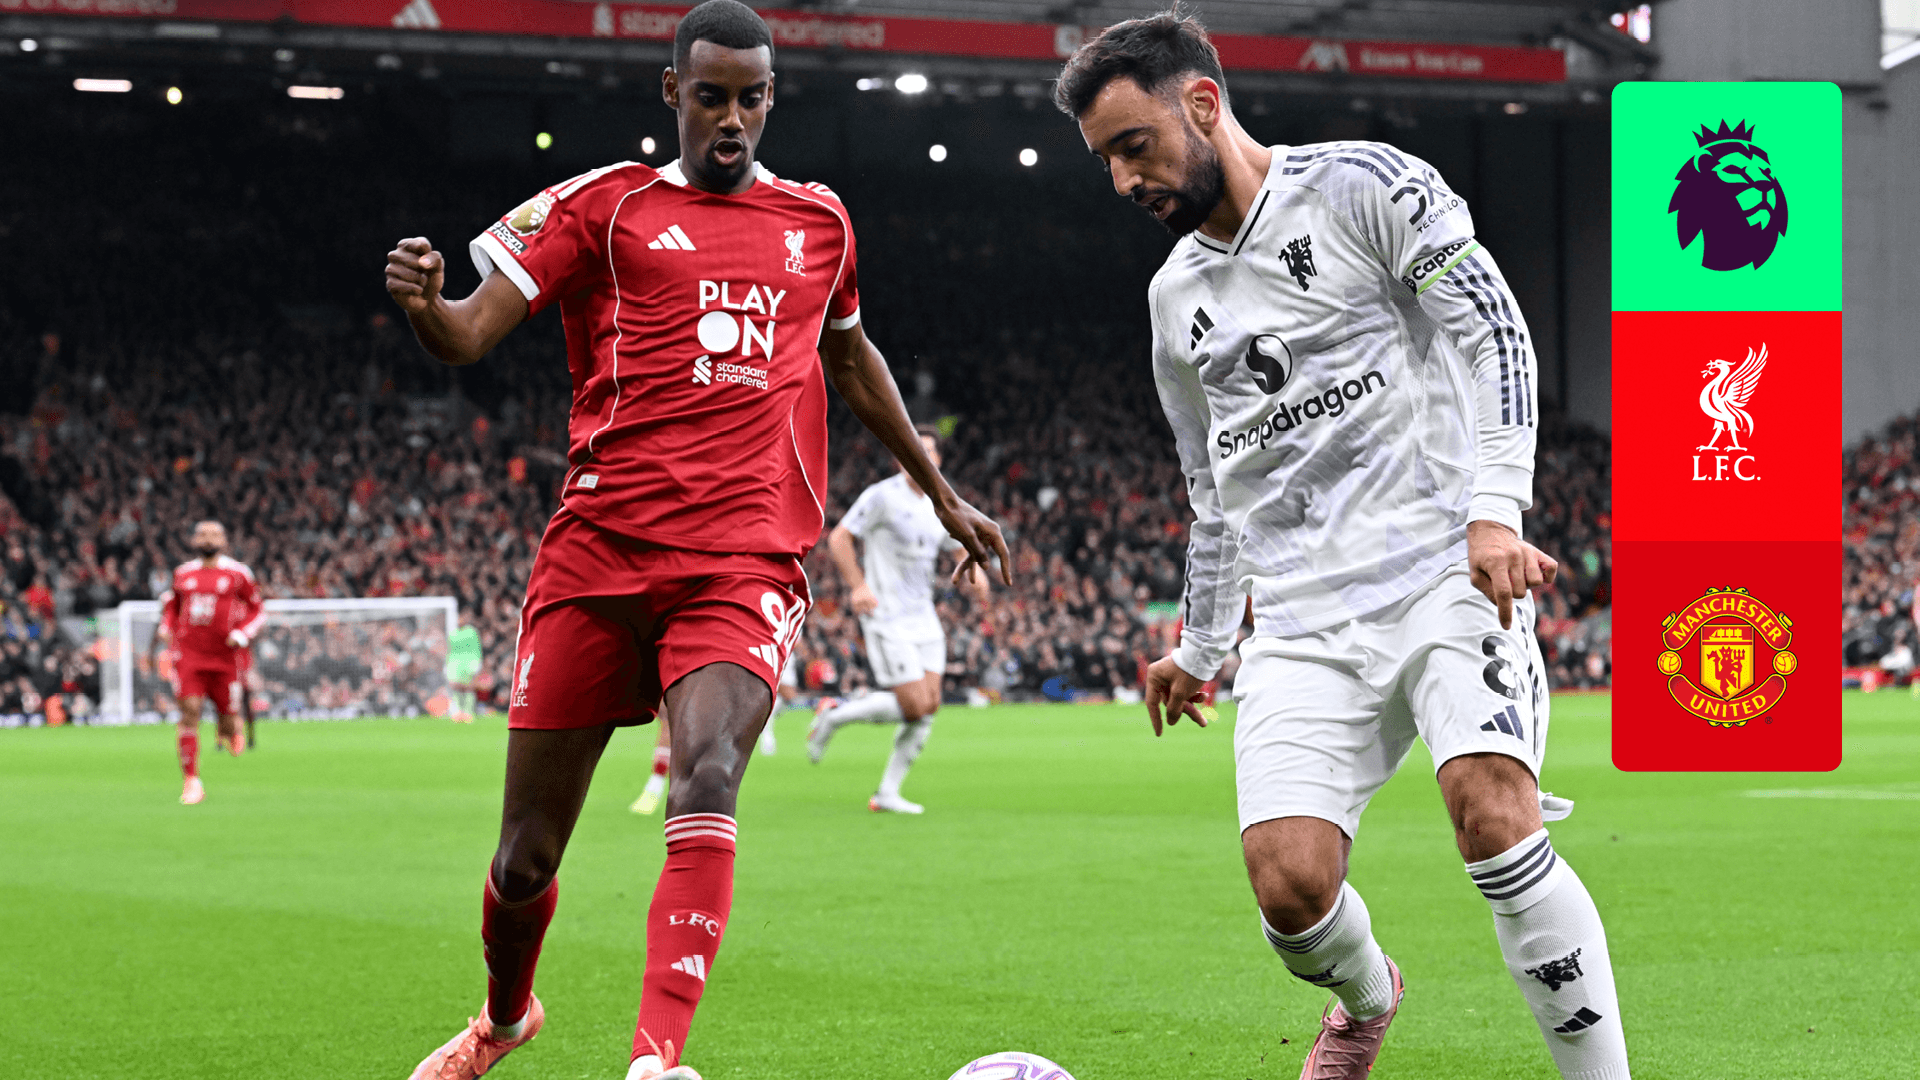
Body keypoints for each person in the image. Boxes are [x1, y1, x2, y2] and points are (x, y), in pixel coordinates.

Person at [383, 4, 1010, 1078]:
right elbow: (469, 333)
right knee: (525, 856)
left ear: (771, 99)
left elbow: (852, 359)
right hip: (598, 553)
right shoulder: (603, 207)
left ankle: (655, 1061)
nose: (732, 118)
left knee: (708, 771)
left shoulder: (821, 223)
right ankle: (505, 1018)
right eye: (711, 96)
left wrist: (941, 491)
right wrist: (426, 307)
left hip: (743, 559)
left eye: (751, 98)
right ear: (673, 91)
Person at [1055, 12, 1629, 1080]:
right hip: (1303, 619)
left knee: (1494, 817)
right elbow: (1212, 492)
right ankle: (1369, 999)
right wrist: (1200, 646)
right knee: (1290, 891)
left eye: (1135, 146)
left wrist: (1495, 509)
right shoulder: (1174, 299)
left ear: (1202, 104)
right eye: (1107, 162)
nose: (1125, 180)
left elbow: (1494, 331)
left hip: (1441, 573)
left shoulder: (1364, 185)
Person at [806, 424, 982, 814]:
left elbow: (957, 547)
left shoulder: (940, 503)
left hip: (924, 618)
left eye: (929, 451)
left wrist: (976, 574)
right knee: (915, 706)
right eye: (913, 449)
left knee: (929, 706)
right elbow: (839, 537)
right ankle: (834, 716)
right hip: (886, 615)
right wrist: (858, 586)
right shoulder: (882, 496)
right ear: (901, 456)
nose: (921, 456)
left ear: (938, 460)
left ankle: (887, 793)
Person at [155, 520, 264, 804]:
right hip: (189, 655)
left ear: (224, 541)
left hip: (226, 657)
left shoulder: (238, 574)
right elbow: (171, 607)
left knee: (228, 719)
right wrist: (166, 627)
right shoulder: (183, 574)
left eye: (214, 534)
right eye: (202, 534)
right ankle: (191, 781)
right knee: (189, 712)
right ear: (194, 540)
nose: (208, 539)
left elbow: (257, 610)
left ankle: (229, 729)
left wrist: (242, 633)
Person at [447, 608, 483, 724]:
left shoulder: (471, 632)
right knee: (455, 687)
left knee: (468, 687)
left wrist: (477, 664)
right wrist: (448, 665)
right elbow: (451, 651)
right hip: (455, 665)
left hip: (469, 664)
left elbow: (476, 649)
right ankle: (457, 712)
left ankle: (468, 712)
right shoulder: (453, 633)